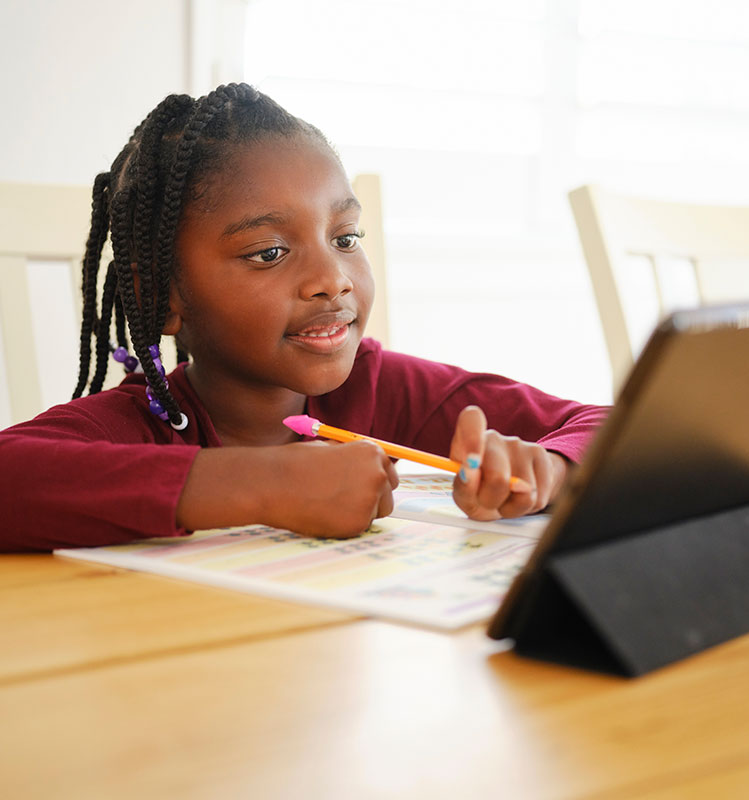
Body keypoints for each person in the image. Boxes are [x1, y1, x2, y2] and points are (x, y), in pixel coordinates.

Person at [0, 83, 607, 553]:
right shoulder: (137, 425)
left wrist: (550, 471)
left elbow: (608, 424)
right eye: (269, 252)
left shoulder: (384, 388)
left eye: (346, 237)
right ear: (161, 296)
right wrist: (262, 485)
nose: (333, 278)